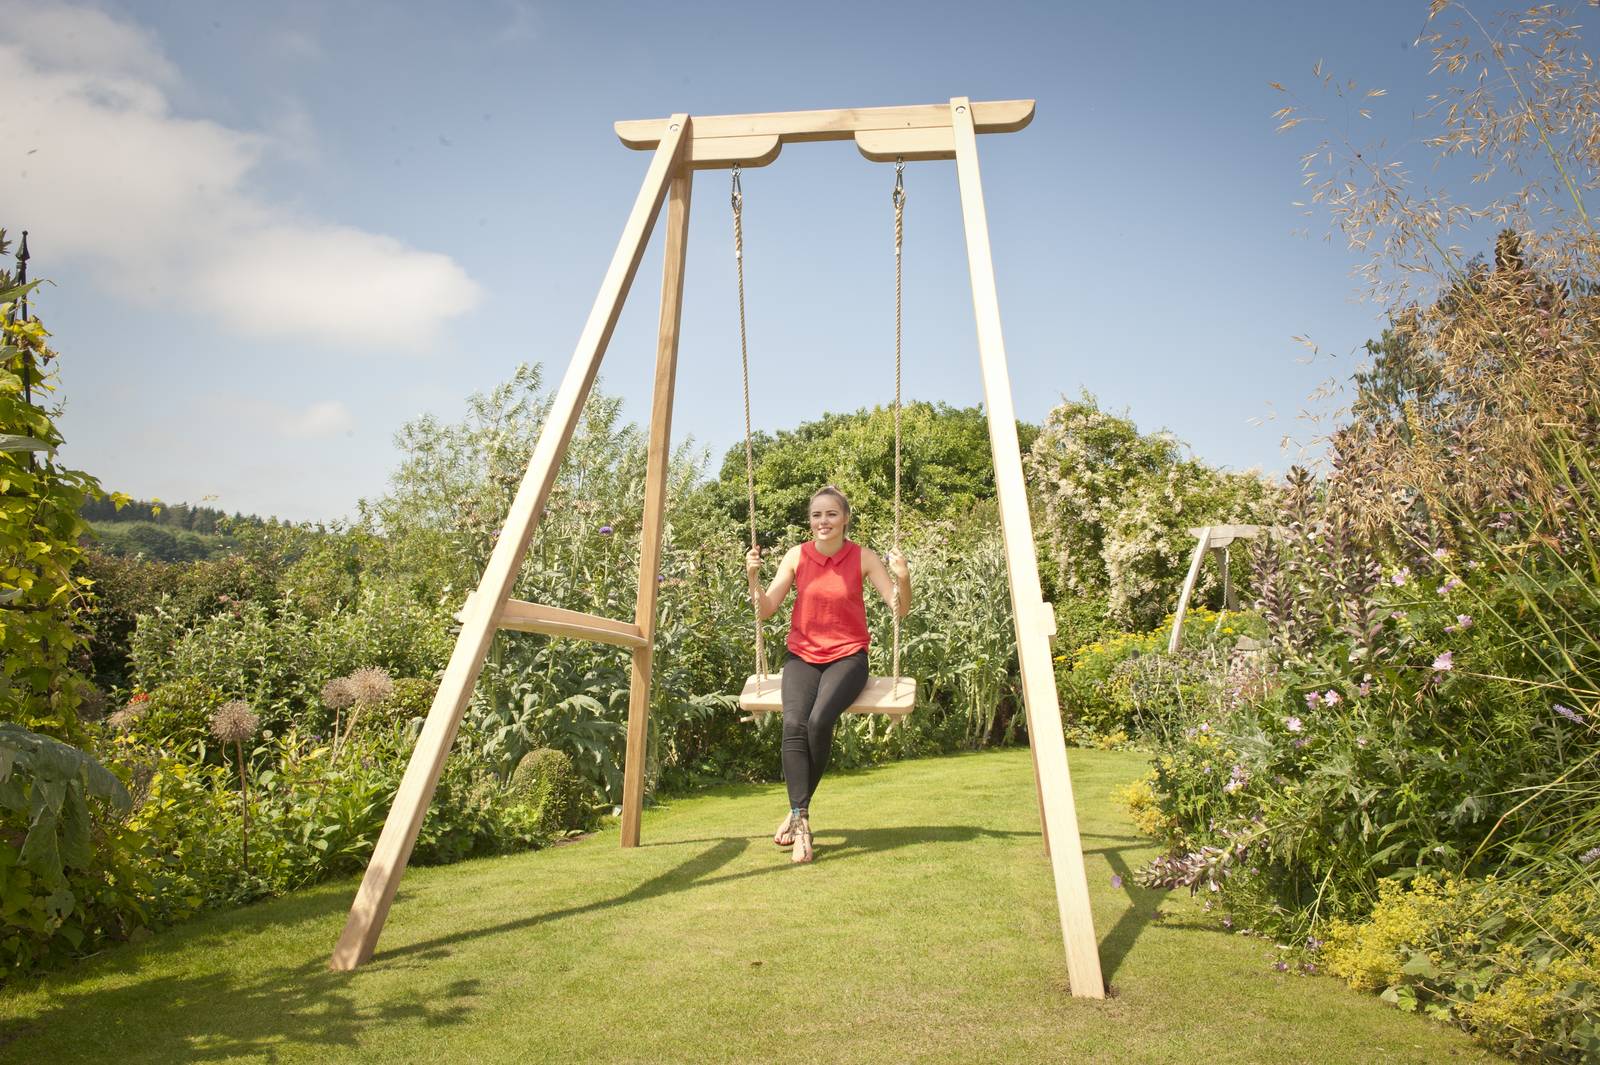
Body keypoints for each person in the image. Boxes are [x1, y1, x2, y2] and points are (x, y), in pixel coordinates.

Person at [745, 485, 912, 864]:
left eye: (831, 514)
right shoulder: (795, 556)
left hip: (848, 657)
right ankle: (801, 818)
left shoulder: (863, 557)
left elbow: (898, 609)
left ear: (845, 518)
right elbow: (766, 608)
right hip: (802, 656)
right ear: (810, 520)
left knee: (819, 721)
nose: (824, 521)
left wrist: (902, 577)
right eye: (817, 515)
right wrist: (754, 579)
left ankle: (796, 811)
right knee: (793, 724)